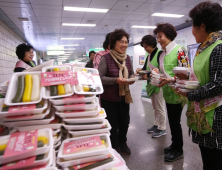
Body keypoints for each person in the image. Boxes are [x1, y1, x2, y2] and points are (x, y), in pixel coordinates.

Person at [176, 2, 222, 169]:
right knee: (208, 159)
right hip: (204, 113)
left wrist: (190, 94)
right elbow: (206, 75)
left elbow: (219, 84)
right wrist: (187, 77)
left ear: (202, 26)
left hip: (216, 118)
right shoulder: (205, 47)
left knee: (215, 160)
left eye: (193, 27)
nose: (192, 32)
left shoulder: (218, 47)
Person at [152, 23, 189, 162]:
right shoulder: (162, 54)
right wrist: (157, 73)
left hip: (178, 93)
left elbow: (185, 73)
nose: (158, 40)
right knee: (172, 121)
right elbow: (163, 71)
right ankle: (174, 144)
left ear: (168, 35)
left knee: (175, 122)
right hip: (167, 92)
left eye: (160, 36)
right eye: (157, 37)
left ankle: (178, 149)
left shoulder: (180, 50)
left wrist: (170, 80)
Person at [98, 29, 134, 155]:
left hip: (124, 97)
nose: (124, 44)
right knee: (112, 124)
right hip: (109, 99)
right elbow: (99, 77)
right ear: (114, 43)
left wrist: (132, 78)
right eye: (121, 42)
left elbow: (131, 73)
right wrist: (116, 80)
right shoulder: (105, 59)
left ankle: (123, 142)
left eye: (126, 42)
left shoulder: (127, 58)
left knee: (125, 122)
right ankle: (115, 145)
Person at [136, 35, 166, 137]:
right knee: (155, 107)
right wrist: (140, 71)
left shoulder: (160, 54)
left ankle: (162, 128)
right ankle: (156, 124)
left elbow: (162, 70)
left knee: (160, 107)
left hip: (159, 84)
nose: (145, 49)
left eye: (146, 47)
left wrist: (147, 74)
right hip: (151, 84)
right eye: (144, 47)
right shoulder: (149, 56)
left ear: (152, 44)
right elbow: (145, 68)